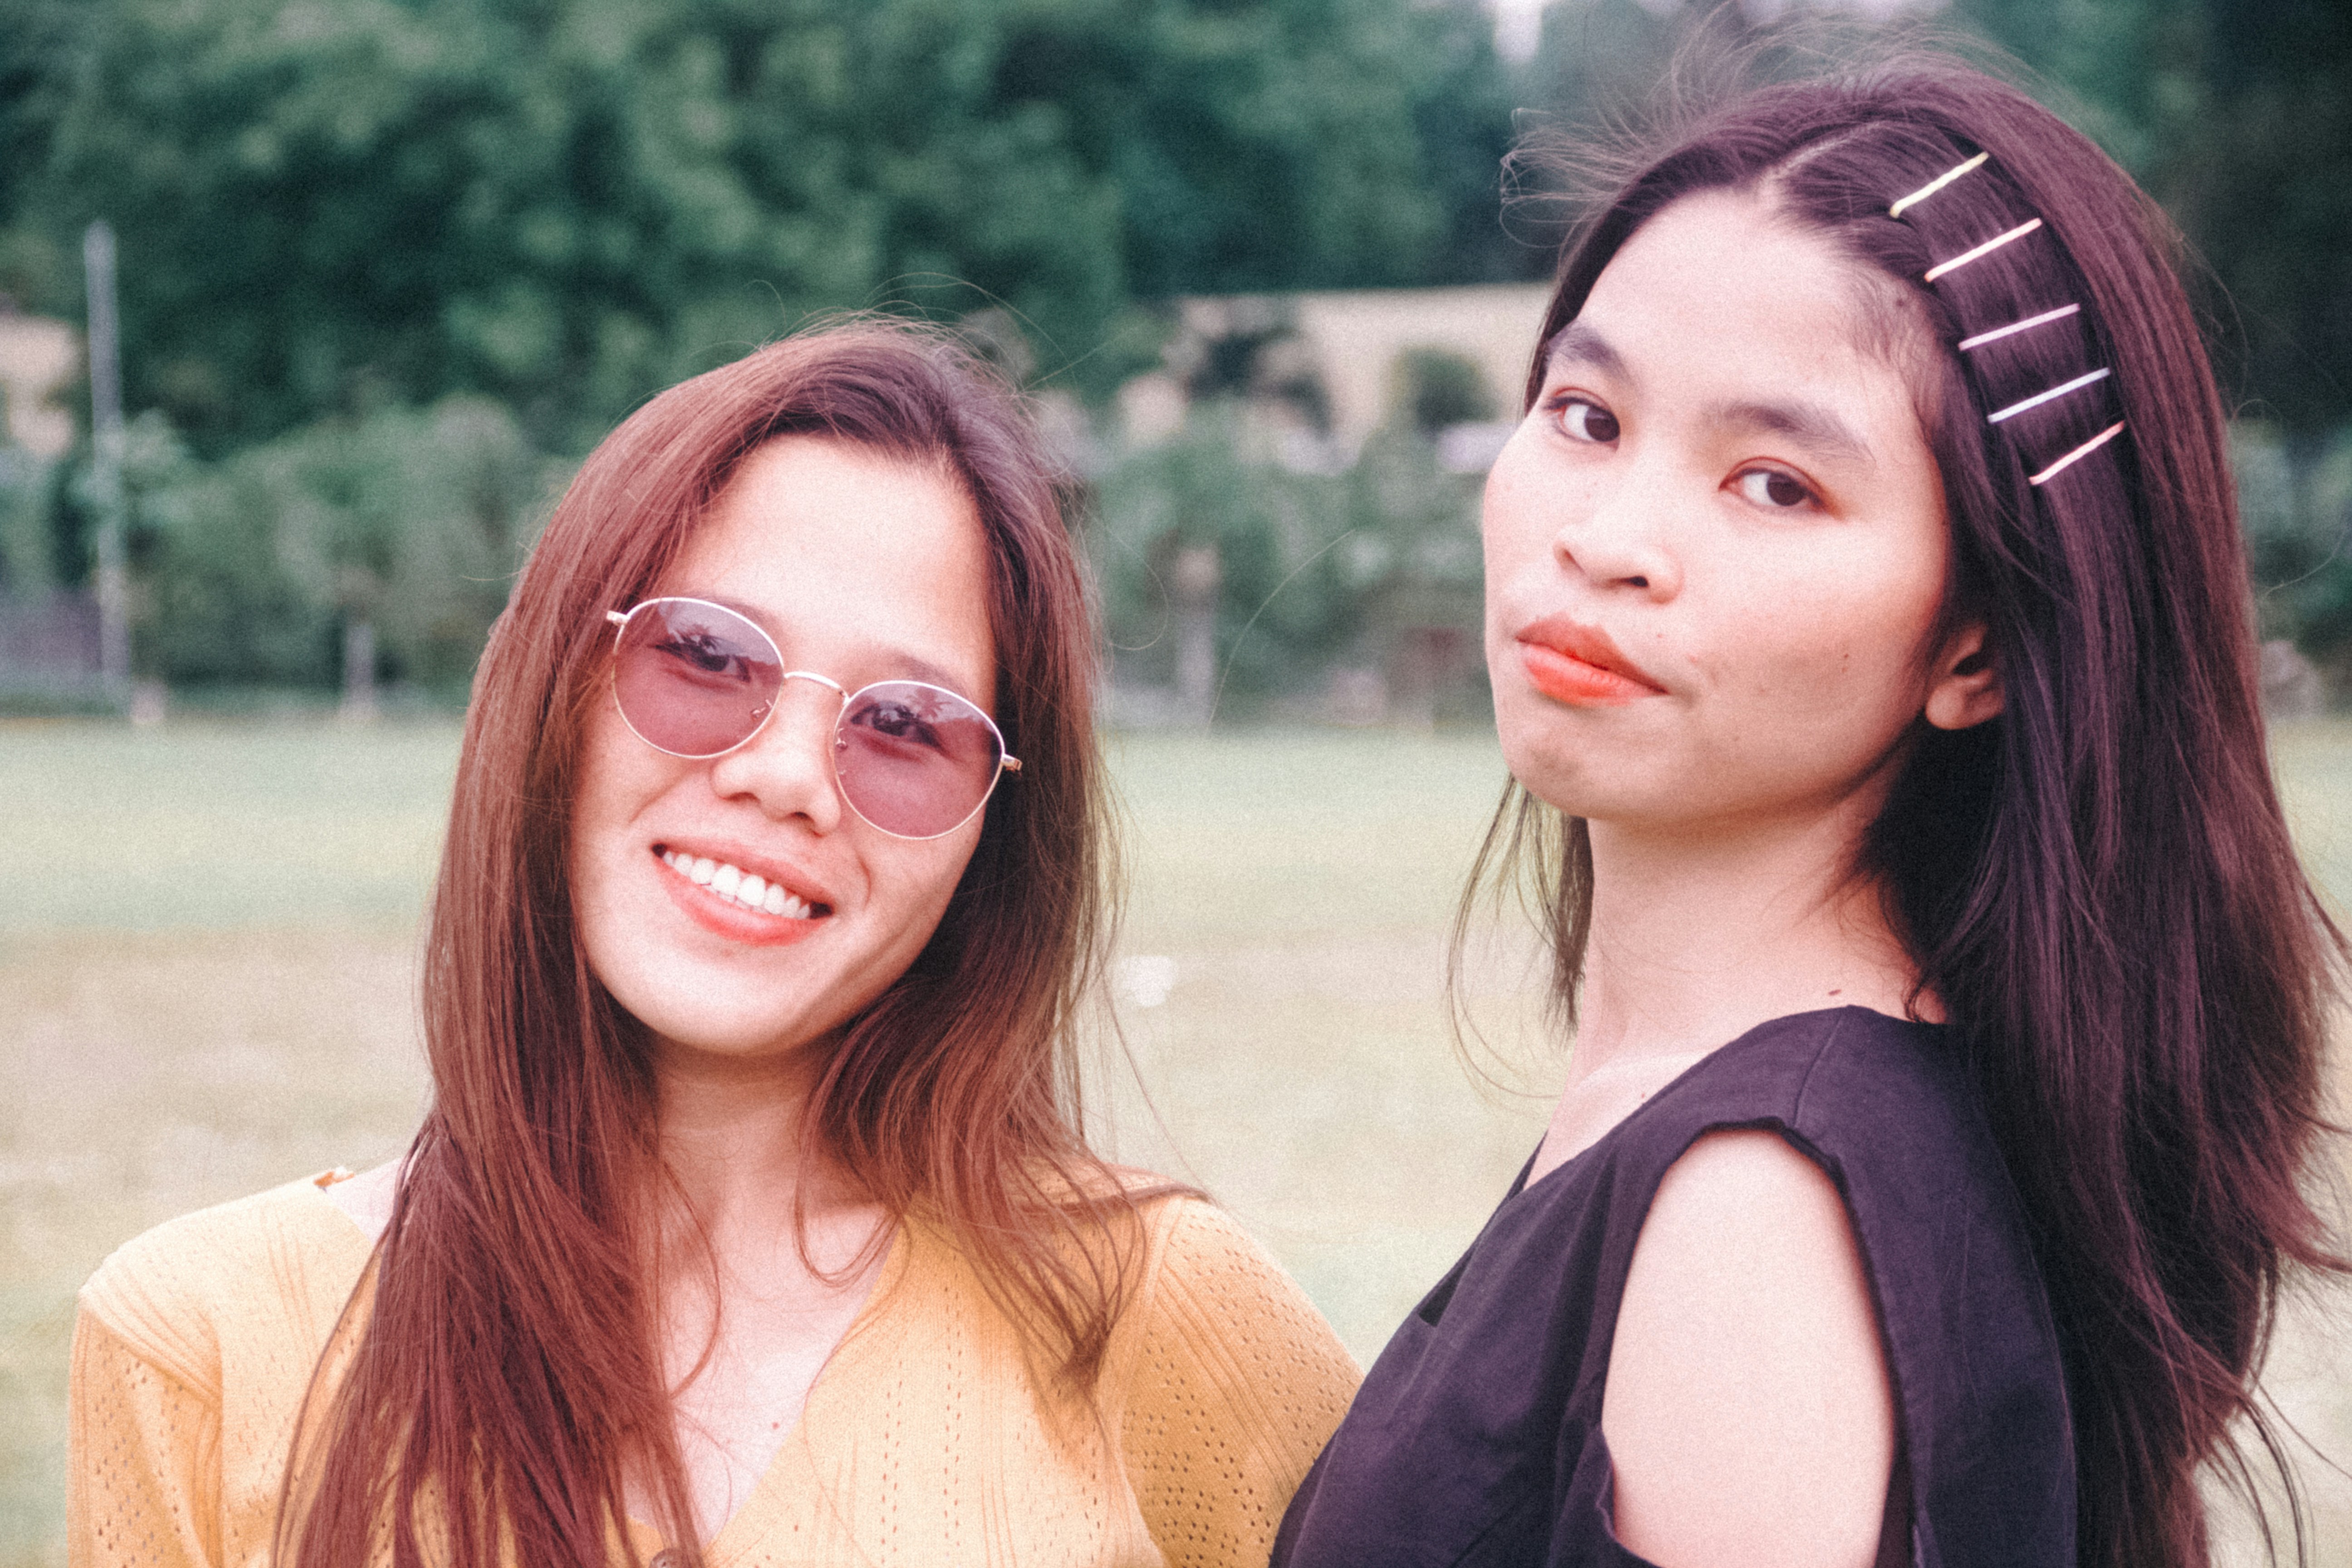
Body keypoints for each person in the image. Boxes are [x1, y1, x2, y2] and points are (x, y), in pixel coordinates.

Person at [1274, 54, 2342, 1568]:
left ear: (1975, 649)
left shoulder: (1755, 1216)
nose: (1611, 538)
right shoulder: (1742, 1120)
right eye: (1586, 415)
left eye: (1775, 484)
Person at [69, 321, 1358, 1568]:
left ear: (996, 838)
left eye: (908, 727)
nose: (790, 775)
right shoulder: (199, 1344)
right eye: (704, 655)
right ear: (549, 686)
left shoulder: (1158, 1312)